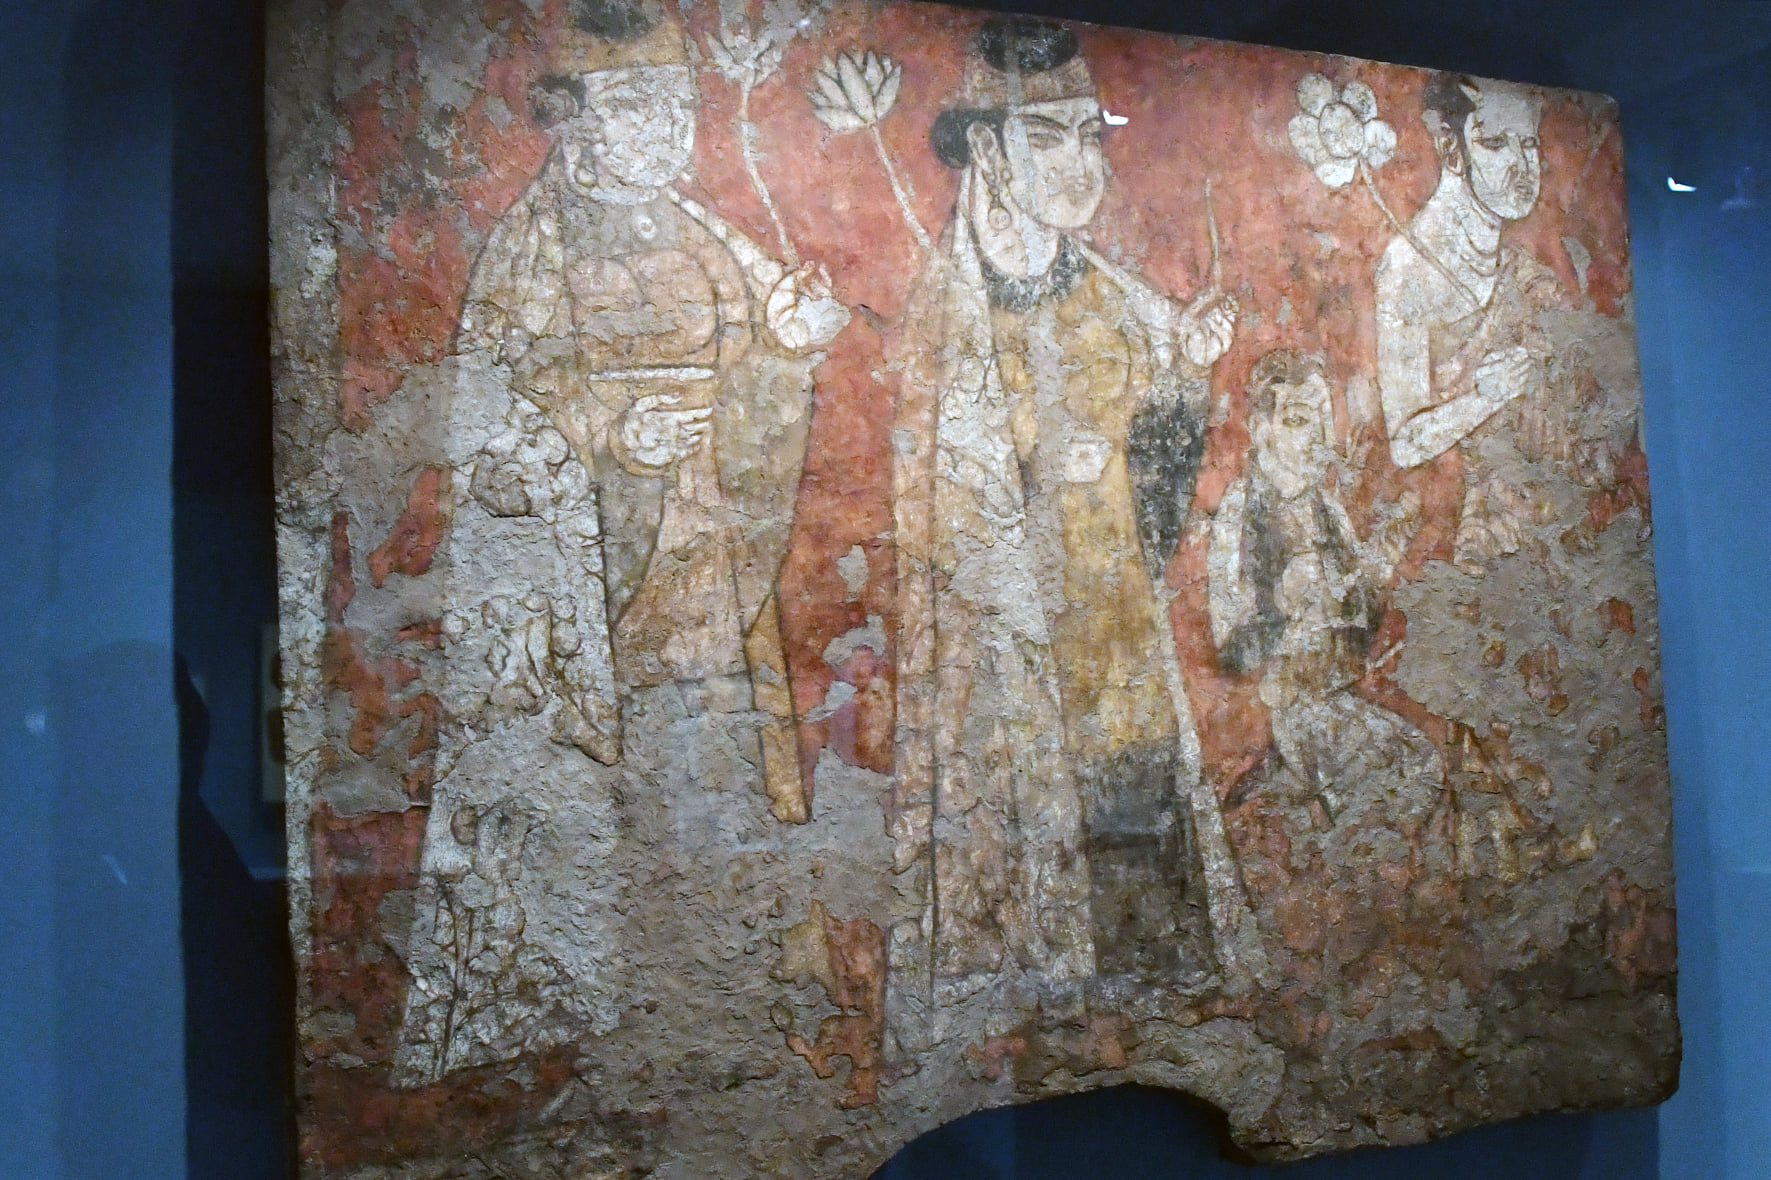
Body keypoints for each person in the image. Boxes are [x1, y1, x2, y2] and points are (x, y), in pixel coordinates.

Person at [392, 4, 847, 1083]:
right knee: (607, 815)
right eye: (638, 104)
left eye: (678, 106)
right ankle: (598, 1038)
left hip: (707, 587)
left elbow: (759, 392)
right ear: (574, 118)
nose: (667, 129)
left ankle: (718, 1025)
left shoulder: (709, 238)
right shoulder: (528, 250)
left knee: (713, 797)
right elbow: (493, 413)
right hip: (589, 602)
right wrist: (607, 433)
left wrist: (785, 351)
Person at [888, 16, 1261, 1036]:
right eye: (1048, 137)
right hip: (1010, 646)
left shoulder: (1118, 302)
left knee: (1134, 803)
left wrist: (1183, 381)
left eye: (1090, 136)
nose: (1080, 163)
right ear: (988, 148)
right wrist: (1042, 478)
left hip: (1113, 626)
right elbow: (936, 512)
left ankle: (1145, 1000)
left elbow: (1157, 507)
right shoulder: (947, 315)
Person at [1374, 72, 1565, 572]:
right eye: (1496, 143)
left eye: (1529, 144)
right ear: (1451, 149)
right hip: (1442, 530)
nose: (1522, 166)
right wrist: (1486, 395)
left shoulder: (1520, 265)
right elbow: (1405, 443)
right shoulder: (1408, 268)